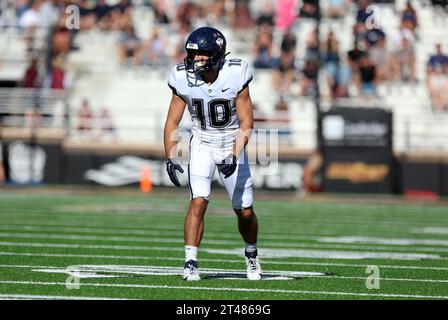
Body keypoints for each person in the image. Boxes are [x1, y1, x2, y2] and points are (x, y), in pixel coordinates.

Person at [163, 27, 261, 281]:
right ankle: (190, 262)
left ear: (216, 54)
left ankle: (251, 254)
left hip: (230, 141)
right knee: (199, 200)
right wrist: (171, 156)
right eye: (192, 54)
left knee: (245, 210)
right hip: (203, 143)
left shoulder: (235, 74)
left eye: (201, 54)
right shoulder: (182, 78)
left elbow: (247, 122)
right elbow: (172, 122)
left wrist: (234, 154)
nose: (195, 59)